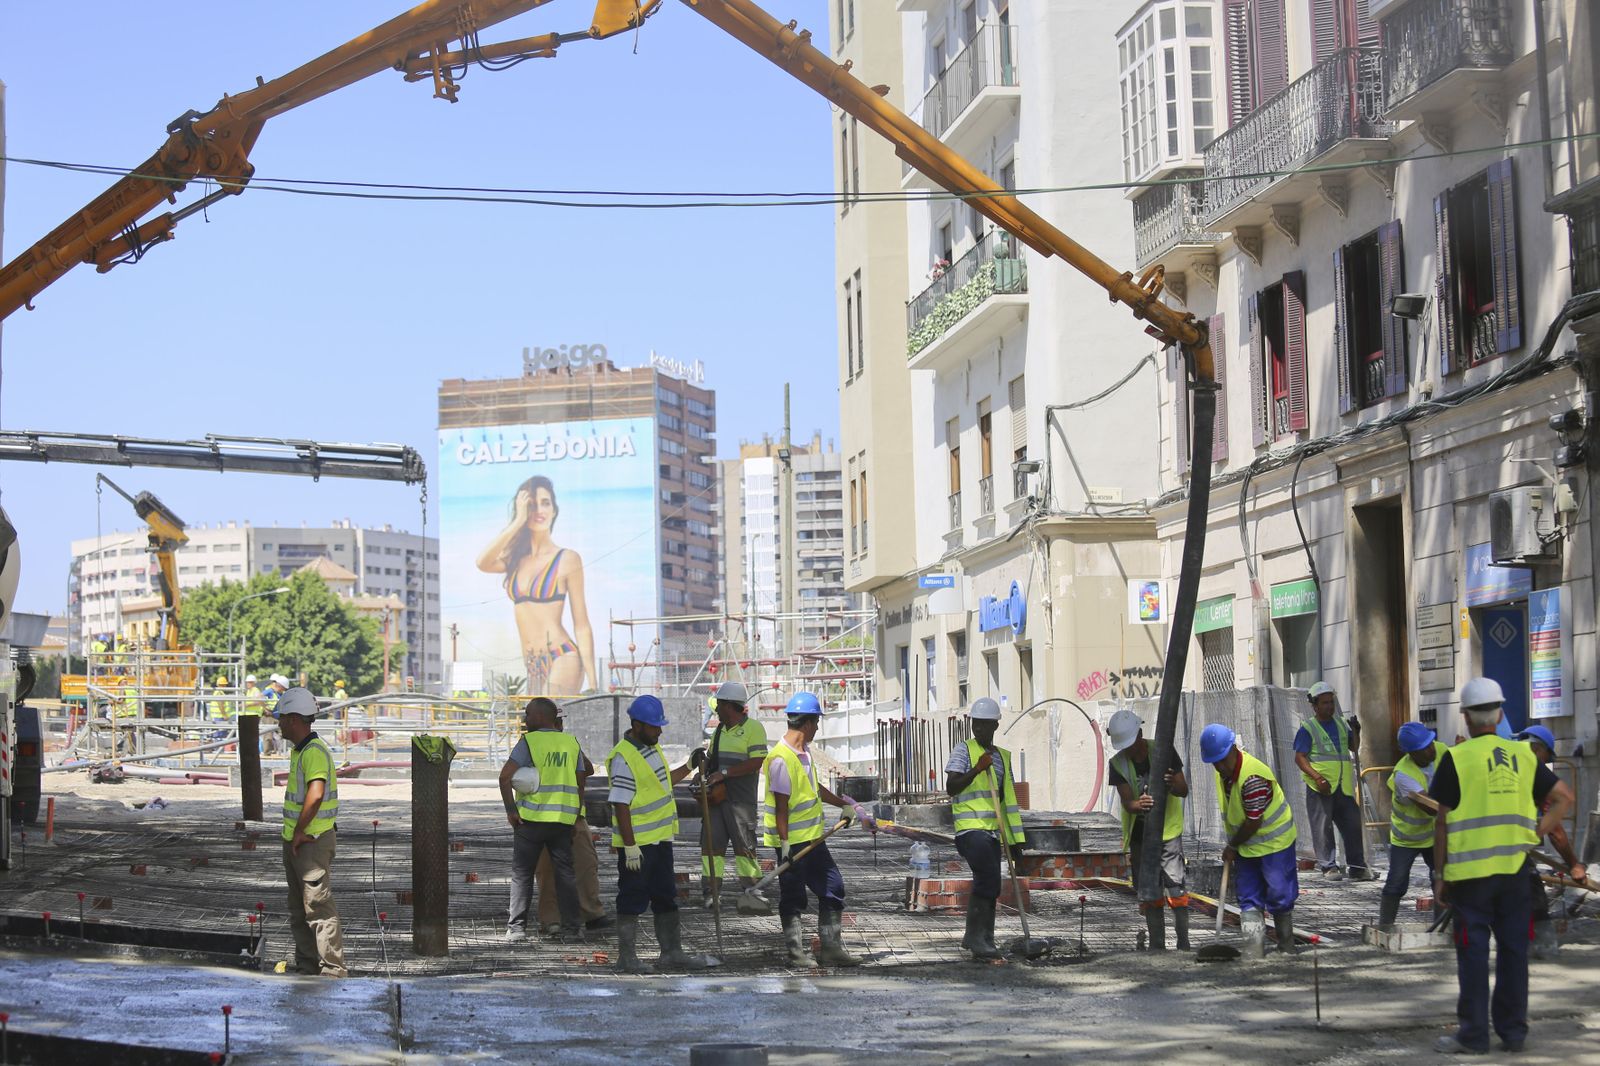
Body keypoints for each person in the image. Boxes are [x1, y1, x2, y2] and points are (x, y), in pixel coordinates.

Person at [1430, 678, 1576, 1055]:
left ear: (1465, 717)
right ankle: (1513, 1033)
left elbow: (1442, 821)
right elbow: (1564, 797)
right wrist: (1536, 831)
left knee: (1474, 956)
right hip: (1515, 875)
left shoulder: (1457, 758)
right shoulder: (1525, 756)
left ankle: (1474, 1036)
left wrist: (1439, 875)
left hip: (1470, 880)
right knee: (1514, 952)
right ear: (1500, 712)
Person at [761, 691, 876, 968]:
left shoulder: (805, 755)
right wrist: (785, 845)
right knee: (793, 897)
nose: (817, 728)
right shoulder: (780, 759)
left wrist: (842, 805)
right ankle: (796, 953)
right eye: (816, 723)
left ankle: (831, 948)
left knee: (833, 887)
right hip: (793, 844)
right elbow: (781, 806)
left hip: (813, 840)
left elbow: (814, 789)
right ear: (807, 723)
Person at [605, 694, 714, 974]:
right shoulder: (624, 756)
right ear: (637, 725)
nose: (659, 731)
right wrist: (629, 846)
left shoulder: (651, 749)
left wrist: (689, 766)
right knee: (632, 897)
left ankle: (672, 953)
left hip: (660, 841)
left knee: (665, 895)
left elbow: (662, 782)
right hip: (638, 846)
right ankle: (626, 958)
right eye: (655, 726)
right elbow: (620, 803)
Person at [475, 476, 596, 696]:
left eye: (545, 502)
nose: (539, 510)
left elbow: (582, 624)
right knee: (538, 726)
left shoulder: (567, 558)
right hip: (532, 664)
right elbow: (482, 562)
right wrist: (517, 522)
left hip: (562, 655)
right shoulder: (514, 560)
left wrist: (594, 683)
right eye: (531, 505)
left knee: (544, 723)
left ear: (554, 510)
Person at [1200, 723, 1299, 956]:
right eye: (1215, 762)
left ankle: (1286, 945)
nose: (1220, 766)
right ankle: (1254, 950)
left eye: (1223, 759)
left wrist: (1232, 845)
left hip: (1275, 844)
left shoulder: (1253, 776)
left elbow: (1254, 821)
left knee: (1279, 894)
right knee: (1248, 896)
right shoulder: (1223, 774)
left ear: (1233, 749)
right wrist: (1236, 845)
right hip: (1247, 847)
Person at [498, 696, 584, 943]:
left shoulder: (529, 742)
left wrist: (511, 810)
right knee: (565, 874)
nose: (525, 719)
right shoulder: (571, 743)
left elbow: (505, 777)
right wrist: (576, 816)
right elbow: (580, 781)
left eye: (528, 714)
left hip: (531, 820)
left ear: (540, 717)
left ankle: (516, 929)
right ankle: (573, 929)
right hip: (562, 821)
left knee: (522, 874)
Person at [944, 696, 1024, 961]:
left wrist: (1015, 842)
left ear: (994, 726)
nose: (978, 730)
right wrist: (977, 769)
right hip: (969, 830)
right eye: (975, 725)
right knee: (987, 879)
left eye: (984, 725)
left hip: (991, 832)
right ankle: (979, 939)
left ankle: (980, 937)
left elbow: (1008, 803)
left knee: (992, 884)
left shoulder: (1003, 758)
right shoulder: (963, 750)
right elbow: (952, 787)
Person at [273, 687, 346, 978]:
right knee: (300, 910)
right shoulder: (301, 750)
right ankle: (306, 968)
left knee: (318, 908)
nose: (278, 723)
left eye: (281, 718)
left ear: (293, 719)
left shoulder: (313, 752)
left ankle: (332, 972)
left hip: (311, 843)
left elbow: (315, 795)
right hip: (299, 842)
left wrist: (301, 831)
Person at [1105, 707, 1191, 951]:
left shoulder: (1163, 751)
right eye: (1125, 746)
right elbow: (1127, 802)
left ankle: (1184, 943)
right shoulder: (1118, 763)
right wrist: (1137, 804)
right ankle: (1157, 946)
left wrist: (1173, 784)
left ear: (1140, 734)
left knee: (1176, 887)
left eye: (1132, 743)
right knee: (1150, 892)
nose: (1130, 750)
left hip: (1168, 833)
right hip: (1141, 836)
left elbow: (1183, 789)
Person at [692, 680, 771, 914]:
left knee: (744, 848)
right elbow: (711, 759)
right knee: (711, 848)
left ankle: (752, 891)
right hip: (717, 801)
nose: (716, 709)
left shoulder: (754, 729)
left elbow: (756, 761)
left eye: (720, 705)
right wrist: (702, 773)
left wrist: (723, 774)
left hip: (740, 803)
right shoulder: (718, 732)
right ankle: (711, 893)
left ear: (729, 706)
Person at [535, 707, 613, 935]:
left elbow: (586, 769)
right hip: (543, 817)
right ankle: (551, 920)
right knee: (547, 870)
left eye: (561, 722)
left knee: (586, 865)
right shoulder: (531, 745)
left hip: (574, 817)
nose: (560, 726)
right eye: (557, 722)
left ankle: (591, 913)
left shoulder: (569, 744)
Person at [1513, 724, 1586, 958]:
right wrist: (1574, 864)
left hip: (1470, 846)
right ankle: (1542, 948)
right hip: (1510, 849)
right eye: (1546, 757)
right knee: (1534, 896)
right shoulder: (1530, 766)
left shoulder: (1497, 756)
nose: (1545, 764)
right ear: (1537, 749)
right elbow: (1555, 831)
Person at [1292, 681, 1373, 880]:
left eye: (1331, 702)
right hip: (1320, 787)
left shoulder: (1340, 724)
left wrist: (1357, 731)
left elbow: (1353, 747)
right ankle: (1329, 866)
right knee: (1323, 828)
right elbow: (1300, 757)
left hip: (1343, 786)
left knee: (1352, 826)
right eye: (1325, 703)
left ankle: (1357, 866)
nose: (1329, 706)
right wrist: (1317, 777)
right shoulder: (1308, 729)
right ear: (1315, 705)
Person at [1378, 722, 1445, 928]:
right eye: (1424, 748)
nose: (1431, 749)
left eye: (1431, 743)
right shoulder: (1403, 774)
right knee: (1397, 883)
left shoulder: (1442, 751)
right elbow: (1430, 807)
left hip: (1434, 834)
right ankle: (1385, 926)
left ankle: (1442, 927)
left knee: (1442, 879)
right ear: (1411, 754)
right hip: (1407, 838)